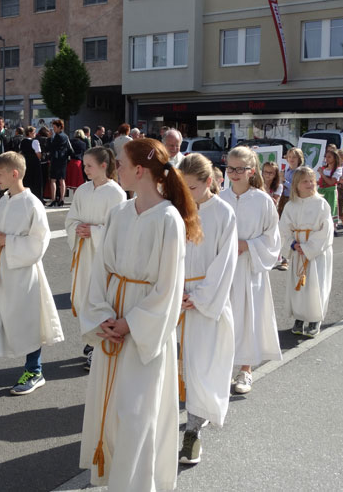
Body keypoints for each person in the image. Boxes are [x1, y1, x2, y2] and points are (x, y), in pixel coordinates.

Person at [78, 138, 201, 491]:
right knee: (111, 408)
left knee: (137, 413)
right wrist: (102, 316)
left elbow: (168, 288)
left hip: (143, 328)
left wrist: (131, 323)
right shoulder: (119, 212)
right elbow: (101, 270)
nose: (115, 165)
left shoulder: (169, 219)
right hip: (111, 320)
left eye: (120, 161)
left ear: (139, 170)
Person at [0, 151, 64, 398]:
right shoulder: (4, 200)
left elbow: (40, 242)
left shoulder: (32, 204)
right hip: (1, 270)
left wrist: (7, 240)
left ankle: (34, 370)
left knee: (28, 321)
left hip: (24, 273)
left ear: (14, 173)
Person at [176, 153, 238, 465]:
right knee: (173, 369)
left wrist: (197, 297)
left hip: (204, 302)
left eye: (193, 189)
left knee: (200, 369)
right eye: (182, 189)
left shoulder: (223, 213)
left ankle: (192, 433)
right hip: (174, 299)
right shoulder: (178, 209)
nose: (188, 196)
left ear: (209, 182)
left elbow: (225, 263)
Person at [219, 146, 282, 395]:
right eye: (230, 168)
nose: (234, 173)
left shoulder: (262, 200)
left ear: (251, 171)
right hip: (223, 268)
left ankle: (245, 369)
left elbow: (273, 238)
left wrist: (247, 245)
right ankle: (221, 365)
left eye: (240, 169)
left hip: (249, 267)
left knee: (248, 316)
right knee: (223, 317)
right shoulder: (220, 198)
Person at [64, 146, 126, 370]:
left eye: (89, 165)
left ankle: (99, 346)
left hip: (103, 258)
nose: (85, 169)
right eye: (84, 165)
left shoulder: (115, 193)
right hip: (83, 254)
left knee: (100, 298)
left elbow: (119, 228)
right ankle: (91, 343)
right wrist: (77, 228)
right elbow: (71, 218)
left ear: (103, 166)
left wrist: (95, 231)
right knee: (84, 297)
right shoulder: (82, 190)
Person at [279, 167, 334, 338]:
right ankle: (299, 318)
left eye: (312, 181)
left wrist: (309, 247)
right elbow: (283, 229)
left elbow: (326, 230)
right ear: (296, 185)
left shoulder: (321, 204)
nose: (310, 184)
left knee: (315, 286)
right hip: (297, 252)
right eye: (305, 181)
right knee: (298, 287)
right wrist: (292, 244)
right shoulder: (290, 205)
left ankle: (315, 319)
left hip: (316, 254)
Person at [276, 147, 304, 271]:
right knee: (283, 228)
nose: (291, 159)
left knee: (293, 229)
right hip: (284, 200)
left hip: (294, 201)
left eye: (294, 157)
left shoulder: (300, 172)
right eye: (289, 157)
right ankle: (284, 256)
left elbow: (296, 188)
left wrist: (284, 181)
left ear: (299, 159)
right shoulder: (285, 170)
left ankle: (288, 258)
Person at [47, 119, 71, 206]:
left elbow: (51, 147)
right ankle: (62, 199)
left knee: (53, 180)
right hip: (63, 159)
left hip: (56, 159)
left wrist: (49, 138)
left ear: (59, 127)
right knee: (62, 180)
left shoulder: (57, 137)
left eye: (54, 127)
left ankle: (53, 199)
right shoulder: (65, 136)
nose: (53, 129)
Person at [20, 126, 43, 200]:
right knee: (36, 180)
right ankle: (37, 197)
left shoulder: (23, 141)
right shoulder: (34, 141)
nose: (35, 134)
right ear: (29, 133)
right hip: (34, 162)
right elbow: (38, 153)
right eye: (33, 132)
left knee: (26, 179)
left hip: (25, 161)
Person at [317, 147, 339, 219]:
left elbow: (331, 182)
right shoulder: (323, 168)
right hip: (321, 191)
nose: (327, 158)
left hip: (330, 193)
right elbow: (320, 181)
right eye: (326, 157)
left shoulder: (337, 170)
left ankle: (333, 228)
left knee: (330, 210)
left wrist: (322, 174)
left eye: (329, 157)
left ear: (335, 158)